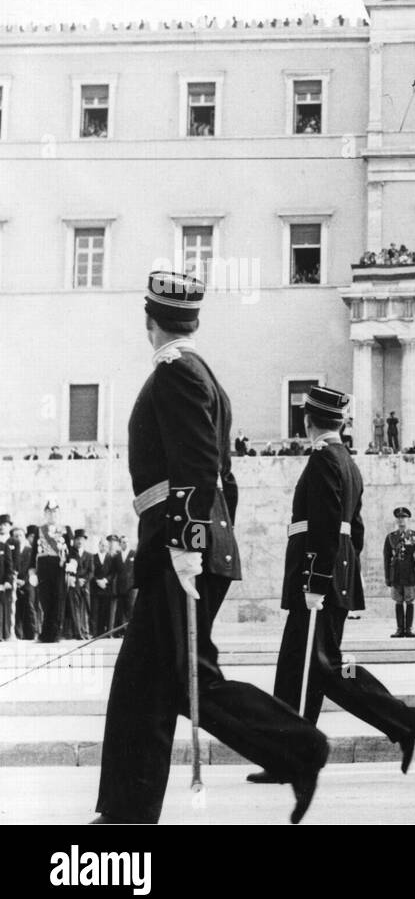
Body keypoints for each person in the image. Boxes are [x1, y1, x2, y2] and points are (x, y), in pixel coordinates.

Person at [95, 270, 328, 825]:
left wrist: (188, 545)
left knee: (187, 678)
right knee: (142, 687)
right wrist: (202, 541)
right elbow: (226, 479)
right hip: (183, 547)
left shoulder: (176, 373)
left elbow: (198, 468)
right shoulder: (198, 374)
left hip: (179, 551)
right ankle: (124, 815)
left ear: (148, 319)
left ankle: (299, 749)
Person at [248, 386, 415, 785]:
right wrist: (340, 575)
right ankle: (291, 757)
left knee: (319, 667)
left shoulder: (324, 459)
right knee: (301, 669)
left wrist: (318, 581)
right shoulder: (347, 461)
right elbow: (355, 531)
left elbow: (327, 526)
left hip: (317, 583)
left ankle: (402, 720)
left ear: (307, 421)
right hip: (331, 578)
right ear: (340, 423)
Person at [384, 507, 415, 638]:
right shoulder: (391, 537)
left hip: (410, 574)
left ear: (408, 519)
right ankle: (400, 629)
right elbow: (386, 558)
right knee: (398, 601)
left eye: (404, 518)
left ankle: (409, 629)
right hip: (396, 574)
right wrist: (388, 577)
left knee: (410, 600)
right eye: (399, 518)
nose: (401, 520)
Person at [35, 499, 68, 643]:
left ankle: (54, 634)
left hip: (58, 567)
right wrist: (31, 570)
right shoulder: (39, 530)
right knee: (45, 600)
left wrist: (71, 567)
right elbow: (33, 554)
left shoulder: (65, 529)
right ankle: (45, 633)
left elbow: (71, 552)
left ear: (58, 513)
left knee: (57, 600)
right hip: (43, 568)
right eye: (49, 512)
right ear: (45, 514)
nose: (52, 515)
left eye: (54, 512)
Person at [93, 535, 123, 637]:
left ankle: (107, 633)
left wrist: (105, 580)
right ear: (99, 546)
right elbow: (92, 571)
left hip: (107, 588)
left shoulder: (111, 558)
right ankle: (97, 632)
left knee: (107, 611)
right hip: (96, 587)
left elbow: (113, 572)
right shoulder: (94, 557)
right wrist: (97, 581)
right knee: (97, 611)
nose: (104, 547)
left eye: (106, 545)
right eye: (102, 545)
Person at [12, 526, 37, 639]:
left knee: (29, 608)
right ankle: (18, 634)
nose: (18, 538)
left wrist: (24, 581)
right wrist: (15, 580)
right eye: (15, 536)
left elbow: (32, 568)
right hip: (14, 584)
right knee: (16, 610)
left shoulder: (30, 551)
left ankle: (31, 634)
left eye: (20, 535)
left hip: (28, 584)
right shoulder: (11, 551)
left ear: (24, 537)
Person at [115, 536, 135, 635]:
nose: (125, 544)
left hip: (131, 587)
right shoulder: (117, 556)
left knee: (130, 609)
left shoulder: (133, 554)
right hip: (120, 587)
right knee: (121, 610)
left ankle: (131, 631)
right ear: (120, 544)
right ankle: (122, 631)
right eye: (123, 542)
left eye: (127, 542)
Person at [0, 515, 13, 641]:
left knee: (4, 609)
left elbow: (9, 566)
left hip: (2, 584)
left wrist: (8, 581)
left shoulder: (4, 546)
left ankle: (4, 634)